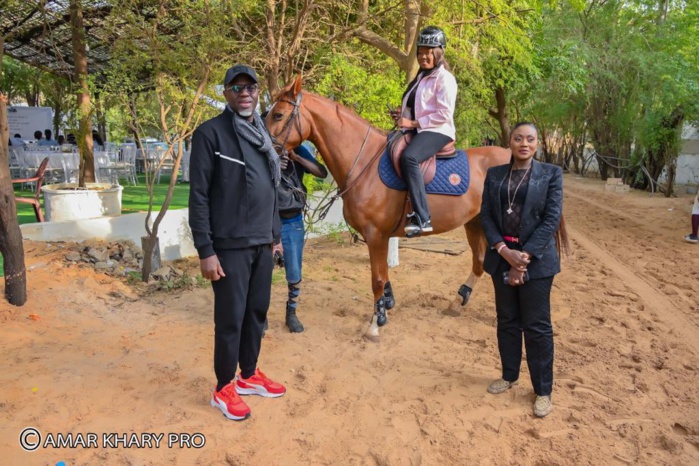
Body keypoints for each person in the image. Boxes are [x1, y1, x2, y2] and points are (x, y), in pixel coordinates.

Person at [189, 64, 286, 421]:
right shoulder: (209, 135)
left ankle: (248, 375)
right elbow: (198, 196)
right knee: (230, 319)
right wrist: (206, 251)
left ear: (258, 92)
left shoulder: (261, 134)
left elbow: (272, 190)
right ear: (226, 93)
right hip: (228, 246)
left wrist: (275, 238)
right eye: (236, 87)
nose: (244, 93)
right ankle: (223, 387)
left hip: (263, 242)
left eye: (250, 87)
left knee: (256, 314)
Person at [480, 122, 568, 418]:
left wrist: (524, 256)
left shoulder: (551, 174)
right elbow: (487, 216)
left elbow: (551, 217)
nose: (524, 144)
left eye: (530, 139)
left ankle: (543, 390)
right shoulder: (494, 175)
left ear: (537, 144)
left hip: (538, 262)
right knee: (506, 320)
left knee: (536, 326)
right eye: (518, 138)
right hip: (500, 257)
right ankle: (508, 375)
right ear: (510, 142)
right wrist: (504, 251)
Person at [389, 25, 457, 237]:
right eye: (420, 52)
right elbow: (418, 106)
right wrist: (403, 114)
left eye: (429, 52)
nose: (423, 56)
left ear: (439, 53)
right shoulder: (421, 77)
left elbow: (443, 113)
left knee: (409, 157)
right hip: (421, 128)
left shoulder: (444, 79)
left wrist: (411, 124)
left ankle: (422, 216)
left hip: (439, 130)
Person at [278, 143, 327, 333]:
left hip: (292, 220)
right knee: (261, 272)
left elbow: (321, 172)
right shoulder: (259, 146)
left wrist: (296, 158)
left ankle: (291, 312)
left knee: (294, 270)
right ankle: (259, 313)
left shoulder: (297, 148)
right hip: (263, 221)